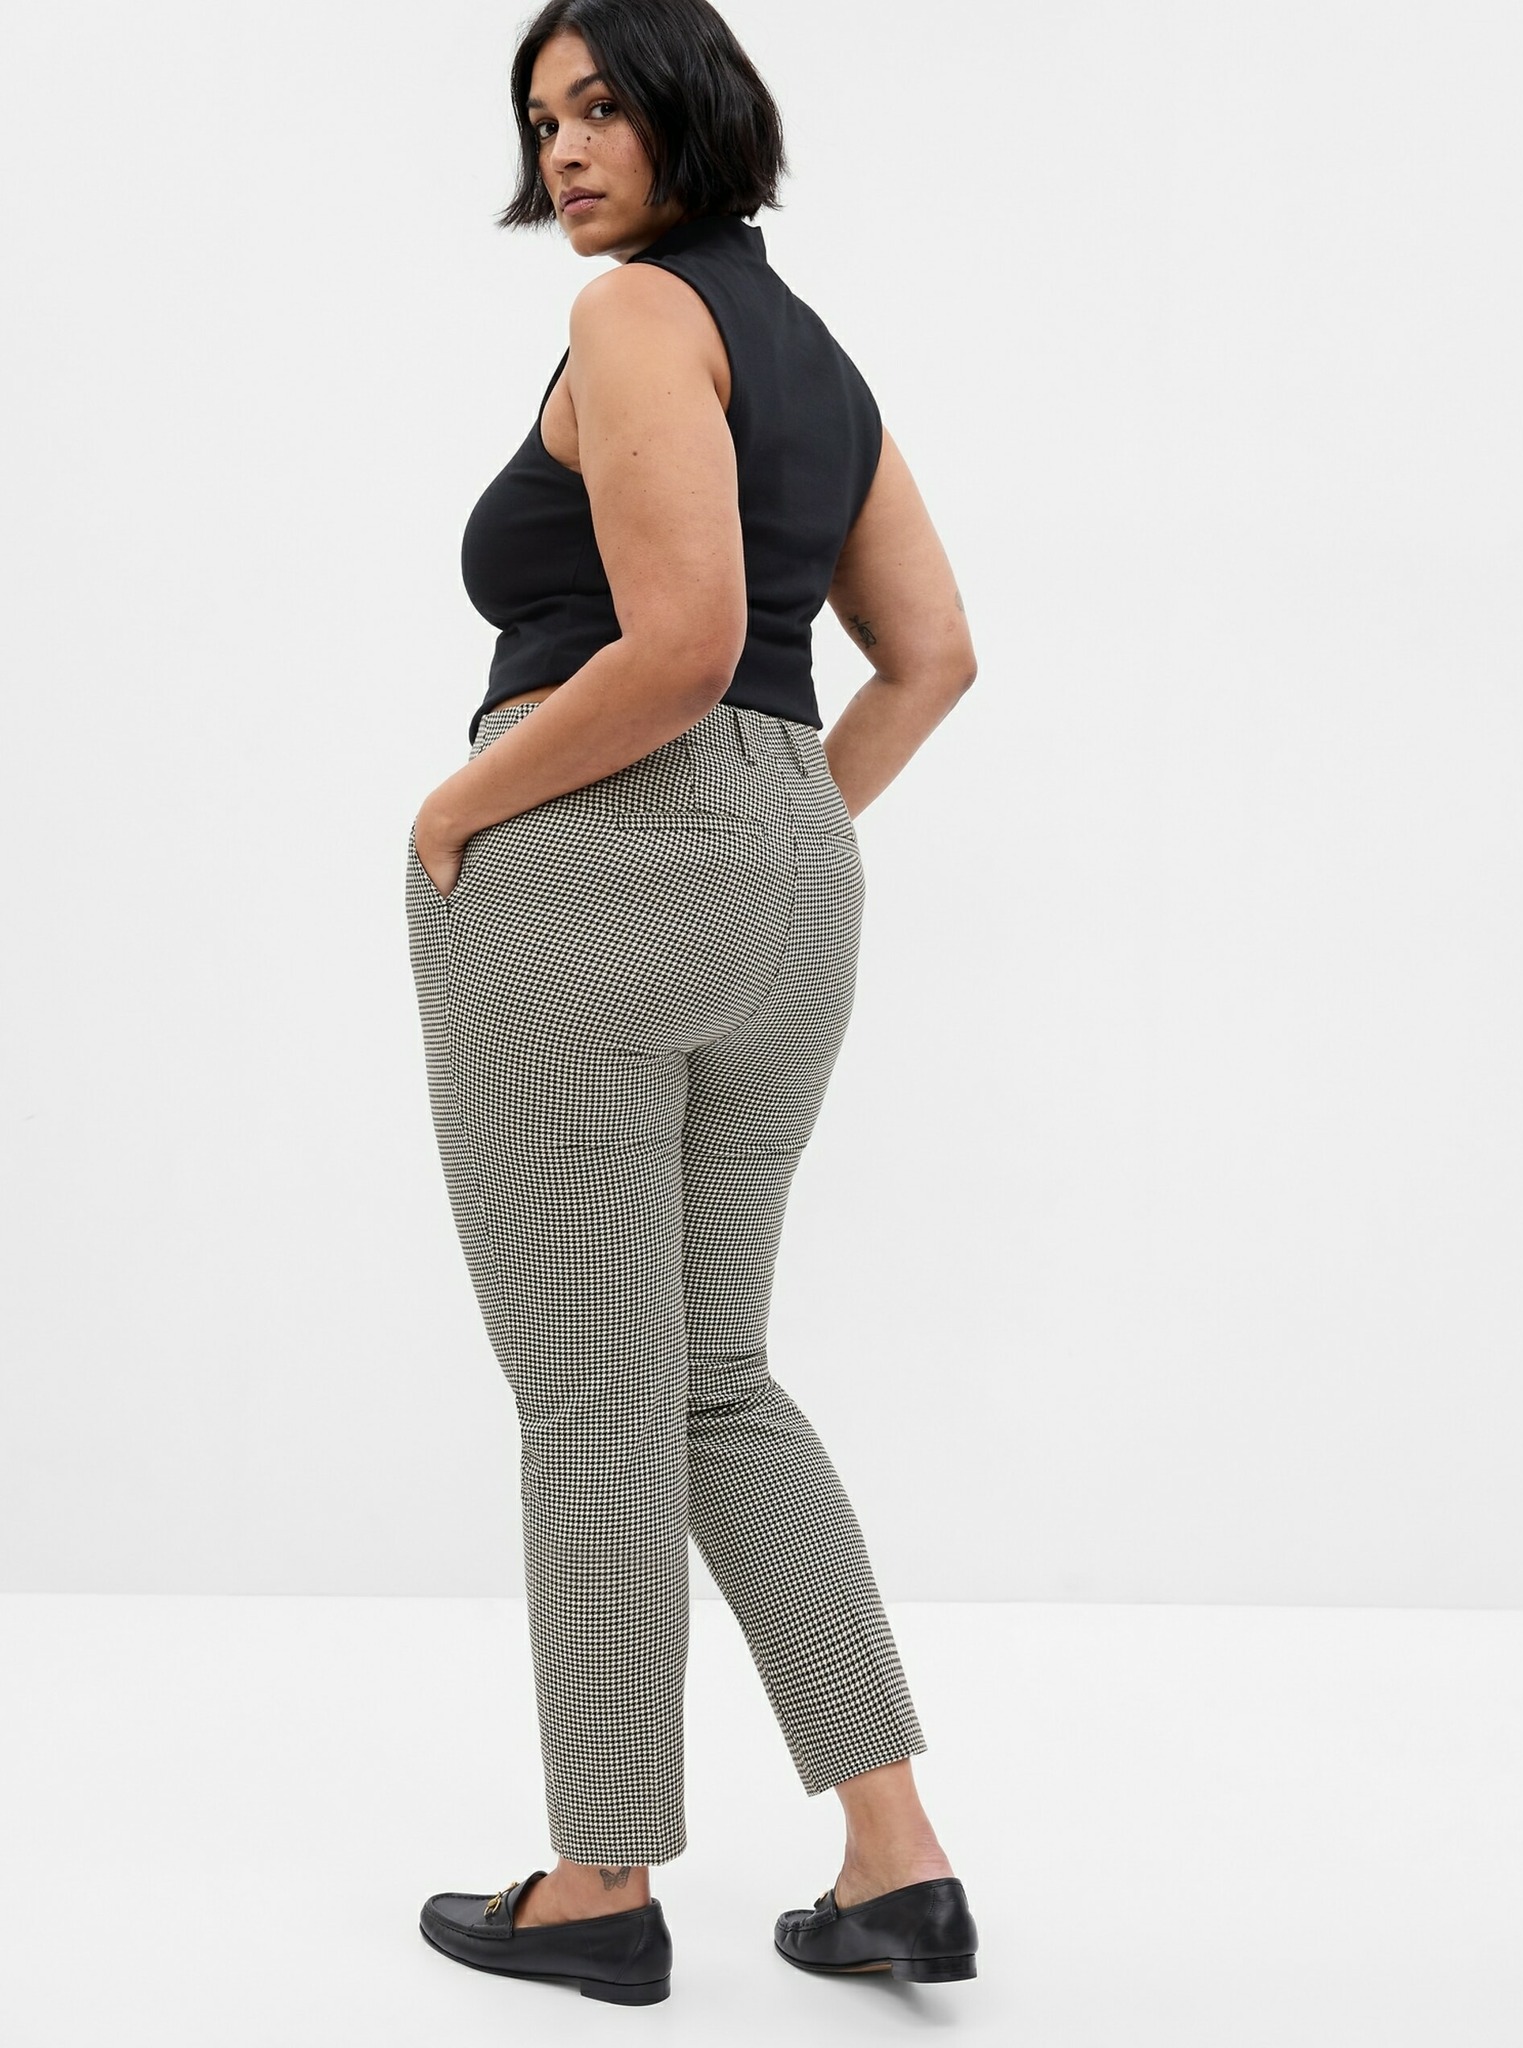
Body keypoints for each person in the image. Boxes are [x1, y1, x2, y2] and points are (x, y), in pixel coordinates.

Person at [407, 0, 979, 2006]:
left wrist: (454, 808)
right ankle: (894, 1856)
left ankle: (599, 1879)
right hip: (794, 886)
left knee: (594, 1391)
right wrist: (769, 838)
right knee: (712, 1377)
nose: (565, 149)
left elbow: (684, 638)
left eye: (600, 108)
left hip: (582, 864)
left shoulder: (637, 315)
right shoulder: (823, 361)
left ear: (691, 112)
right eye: (540, 119)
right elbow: (932, 656)